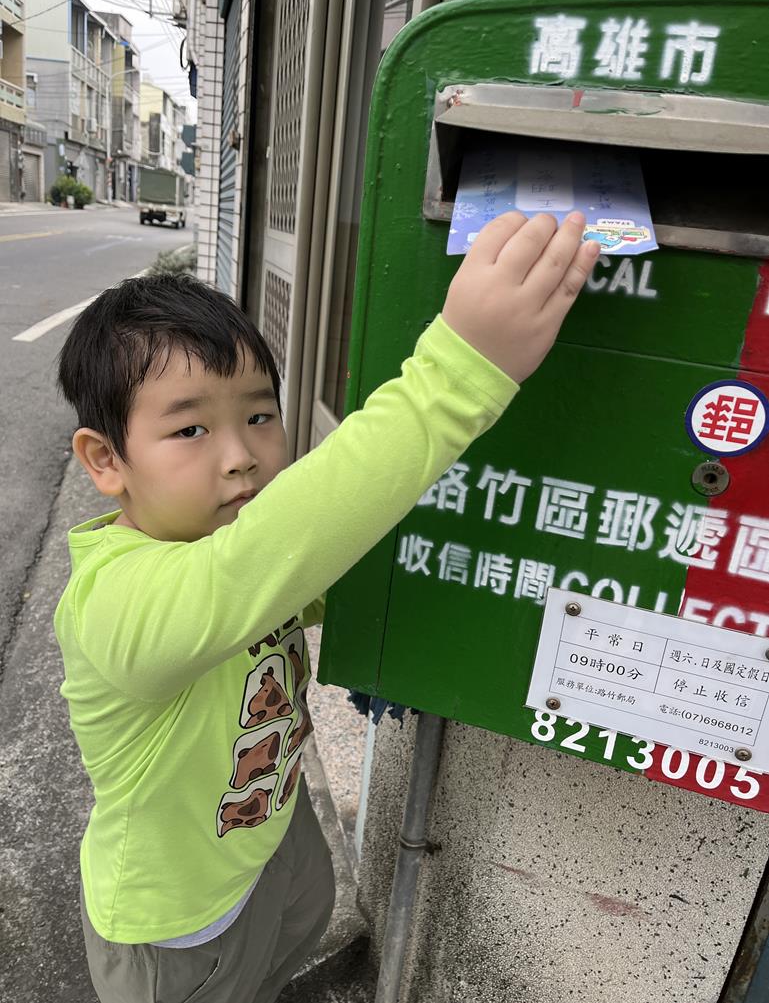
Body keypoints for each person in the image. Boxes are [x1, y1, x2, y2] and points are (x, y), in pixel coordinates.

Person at [54, 211, 600, 1003]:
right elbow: (267, 555)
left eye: (259, 415)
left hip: (269, 830)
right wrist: (456, 376)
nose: (241, 456)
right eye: (191, 428)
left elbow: (321, 554)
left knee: (287, 946)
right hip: (177, 927)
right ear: (106, 460)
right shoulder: (115, 601)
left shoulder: (230, 548)